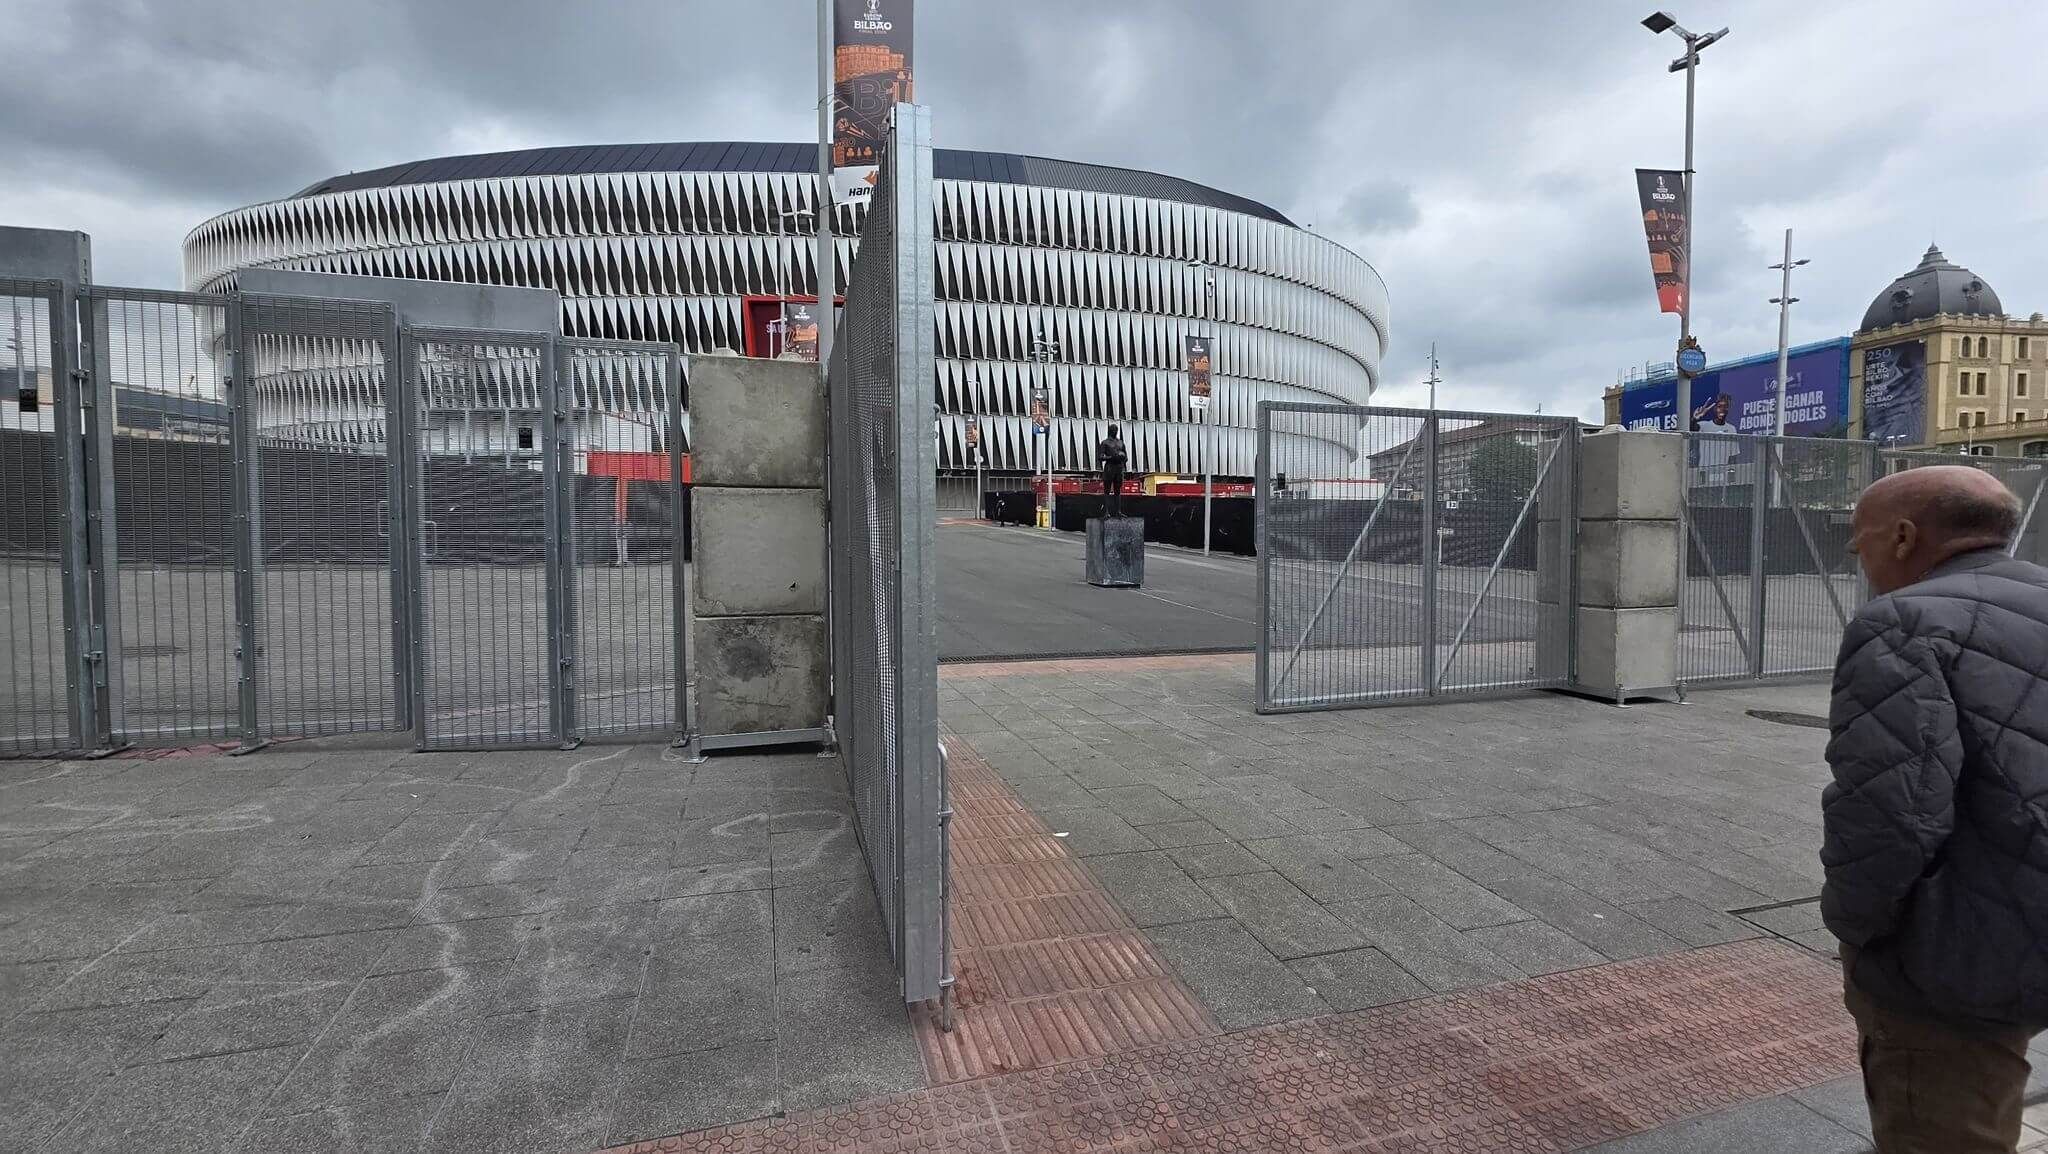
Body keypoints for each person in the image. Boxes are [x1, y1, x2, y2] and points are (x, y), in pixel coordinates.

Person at [1824, 464, 2048, 1152]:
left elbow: (1888, 815)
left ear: (1902, 535)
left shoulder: (1902, 623)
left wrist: (1863, 935)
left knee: (1947, 1128)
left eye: (1857, 544)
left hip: (1961, 954)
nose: (1858, 561)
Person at [1097, 424, 1128, 518]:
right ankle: (1106, 512)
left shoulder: (1121, 443)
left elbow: (1126, 458)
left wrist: (1122, 457)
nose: (1115, 431)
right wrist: (1111, 457)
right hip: (1109, 468)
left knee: (1117, 491)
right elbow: (1100, 457)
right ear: (1110, 431)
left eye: (1116, 430)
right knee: (1107, 491)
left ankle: (1118, 512)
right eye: (1114, 430)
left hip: (1119, 468)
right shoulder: (1105, 443)